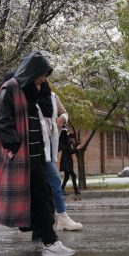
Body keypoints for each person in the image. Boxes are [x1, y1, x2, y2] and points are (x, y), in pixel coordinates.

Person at [0, 51, 75, 256]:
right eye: (41, 76)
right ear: (32, 71)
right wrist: (14, 148)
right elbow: (3, 122)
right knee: (1, 200)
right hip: (15, 158)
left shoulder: (29, 90)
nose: (42, 81)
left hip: (33, 158)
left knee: (42, 198)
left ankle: (50, 241)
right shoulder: (10, 89)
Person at [38, 81, 83, 231]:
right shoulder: (27, 96)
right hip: (32, 148)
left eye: (41, 82)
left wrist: (62, 119)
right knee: (37, 185)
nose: (39, 86)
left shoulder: (52, 97)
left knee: (54, 181)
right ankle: (31, 221)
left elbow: (64, 112)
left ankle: (61, 217)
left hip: (48, 149)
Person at [60, 130, 80, 195]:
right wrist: (77, 148)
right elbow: (70, 151)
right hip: (67, 163)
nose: (73, 140)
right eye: (73, 139)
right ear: (71, 138)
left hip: (66, 163)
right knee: (73, 176)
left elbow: (71, 149)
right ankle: (76, 191)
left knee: (66, 177)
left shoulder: (68, 142)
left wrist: (75, 145)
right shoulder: (67, 143)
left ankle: (61, 190)